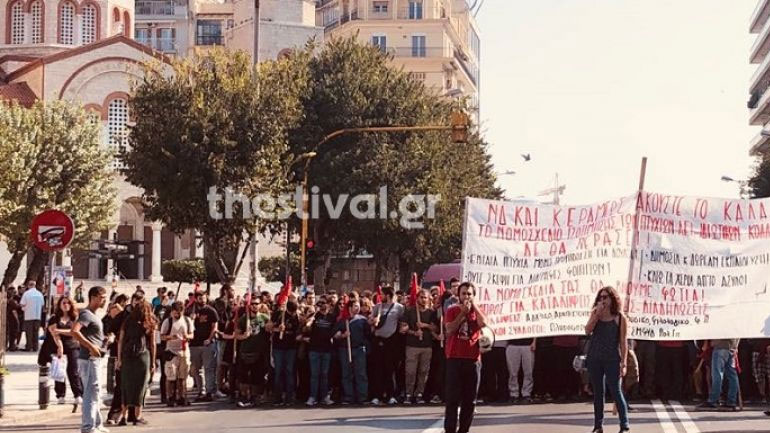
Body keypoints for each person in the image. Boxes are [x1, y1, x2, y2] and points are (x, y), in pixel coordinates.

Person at [584, 286, 630, 433]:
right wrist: (597, 315)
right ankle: (598, 425)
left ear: (613, 299)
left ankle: (624, 425)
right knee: (598, 392)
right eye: (600, 297)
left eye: (606, 297)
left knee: (616, 391)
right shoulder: (595, 313)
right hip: (595, 357)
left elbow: (623, 342)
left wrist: (624, 362)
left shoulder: (620, 317)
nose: (602, 300)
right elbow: (587, 330)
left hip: (612, 358)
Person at [443, 282, 487, 433]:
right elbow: (449, 330)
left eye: (469, 294)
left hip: (473, 358)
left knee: (470, 400)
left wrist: (473, 308)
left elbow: (484, 323)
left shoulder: (477, 310)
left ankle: (464, 430)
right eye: (464, 293)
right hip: (455, 357)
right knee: (452, 399)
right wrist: (463, 313)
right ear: (458, 295)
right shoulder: (452, 310)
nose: (466, 296)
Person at [71, 286, 108, 433]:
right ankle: (88, 426)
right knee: (90, 393)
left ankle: (97, 424)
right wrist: (91, 346)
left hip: (95, 358)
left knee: (95, 392)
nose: (104, 300)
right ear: (93, 297)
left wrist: (105, 341)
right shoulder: (86, 314)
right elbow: (75, 331)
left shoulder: (94, 315)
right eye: (102, 297)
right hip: (89, 359)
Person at [116, 300, 157, 426]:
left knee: (126, 386)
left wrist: (119, 358)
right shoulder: (149, 323)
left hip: (127, 356)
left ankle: (123, 415)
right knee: (141, 386)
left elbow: (120, 341)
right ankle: (137, 416)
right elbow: (153, 343)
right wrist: (153, 362)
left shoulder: (127, 321)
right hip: (142, 355)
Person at [38, 296, 83, 405]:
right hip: (57, 346)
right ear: (59, 305)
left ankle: (78, 394)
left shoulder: (75, 318)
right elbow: (53, 333)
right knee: (59, 370)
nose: (66, 305)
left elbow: (74, 332)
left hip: (72, 346)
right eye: (63, 303)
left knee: (74, 371)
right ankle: (60, 395)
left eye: (68, 303)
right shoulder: (54, 318)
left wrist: (60, 330)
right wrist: (60, 346)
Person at [399, 288, 437, 404]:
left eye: (425, 297)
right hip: (412, 346)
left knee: (423, 371)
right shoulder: (409, 311)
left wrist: (424, 325)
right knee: (410, 371)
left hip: (427, 346)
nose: (423, 299)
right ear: (417, 298)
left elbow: (435, 328)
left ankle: (419, 393)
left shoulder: (431, 313)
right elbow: (402, 329)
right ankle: (409, 394)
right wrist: (414, 332)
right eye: (421, 297)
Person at [369, 286, 404, 405]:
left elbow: (402, 322)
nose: (381, 296)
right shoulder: (377, 307)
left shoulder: (398, 308)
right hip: (378, 341)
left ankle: (391, 395)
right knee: (377, 369)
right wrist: (373, 321)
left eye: (382, 294)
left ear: (388, 295)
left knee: (390, 369)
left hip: (392, 341)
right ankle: (377, 395)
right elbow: (370, 321)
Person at [333, 298, 371, 405]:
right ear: (349, 307)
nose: (358, 308)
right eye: (355, 306)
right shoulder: (342, 320)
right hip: (345, 350)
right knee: (347, 374)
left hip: (359, 350)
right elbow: (335, 334)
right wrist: (342, 335)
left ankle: (362, 397)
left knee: (361, 374)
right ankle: (348, 397)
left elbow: (368, 334)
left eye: (358, 305)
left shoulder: (362, 320)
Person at [234, 299, 270, 408]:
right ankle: (244, 397)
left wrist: (271, 327)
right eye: (252, 304)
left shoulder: (264, 317)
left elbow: (270, 328)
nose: (254, 306)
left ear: (260, 305)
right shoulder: (243, 319)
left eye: (257, 304)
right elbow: (236, 335)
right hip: (246, 352)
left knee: (257, 377)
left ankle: (255, 397)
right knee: (244, 377)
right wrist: (244, 336)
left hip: (259, 352)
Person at [160, 301, 194, 407]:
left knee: (182, 376)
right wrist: (170, 337)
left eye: (178, 313)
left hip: (184, 351)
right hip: (171, 351)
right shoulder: (167, 322)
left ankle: (182, 396)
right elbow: (162, 336)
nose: (176, 315)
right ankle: (170, 397)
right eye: (174, 312)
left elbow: (192, 334)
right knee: (171, 376)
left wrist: (186, 336)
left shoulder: (187, 321)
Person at [188, 292, 219, 402]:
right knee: (197, 369)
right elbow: (186, 326)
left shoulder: (211, 311)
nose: (202, 300)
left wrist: (209, 339)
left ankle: (210, 391)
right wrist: (191, 320)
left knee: (209, 368)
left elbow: (214, 326)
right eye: (200, 298)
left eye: (204, 298)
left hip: (207, 344)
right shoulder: (190, 310)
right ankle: (201, 391)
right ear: (196, 299)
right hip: (194, 344)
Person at [305, 296, 336, 406]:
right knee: (314, 374)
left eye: (324, 303)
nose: (322, 305)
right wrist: (311, 319)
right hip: (314, 349)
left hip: (326, 349)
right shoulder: (314, 316)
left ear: (328, 304)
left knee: (324, 374)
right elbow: (306, 329)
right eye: (320, 303)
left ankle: (324, 397)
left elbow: (334, 332)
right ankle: (313, 396)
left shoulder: (332, 317)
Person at [270, 300, 300, 406]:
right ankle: (277, 397)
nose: (293, 314)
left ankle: (289, 397)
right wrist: (278, 329)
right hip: (279, 348)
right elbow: (268, 327)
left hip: (291, 348)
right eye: (291, 312)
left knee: (289, 371)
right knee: (278, 372)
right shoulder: (278, 314)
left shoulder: (298, 316)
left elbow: (299, 330)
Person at [697, 338, 740, 411]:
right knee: (732, 376)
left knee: (717, 375)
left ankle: (713, 400)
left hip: (720, 347)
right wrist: (736, 346)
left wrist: (714, 342)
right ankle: (731, 401)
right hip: (732, 348)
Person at [506, 337, 536, 403]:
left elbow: (534, 328)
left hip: (528, 344)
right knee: (512, 372)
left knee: (529, 371)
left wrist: (534, 341)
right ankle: (513, 394)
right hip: (512, 344)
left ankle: (527, 394)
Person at [20, 280, 45, 352]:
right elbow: (42, 304)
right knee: (36, 332)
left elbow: (22, 304)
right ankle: (35, 347)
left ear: (29, 285)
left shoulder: (26, 294)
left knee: (29, 333)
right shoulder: (40, 294)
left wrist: (24, 308)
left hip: (28, 316)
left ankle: (29, 347)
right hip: (37, 316)